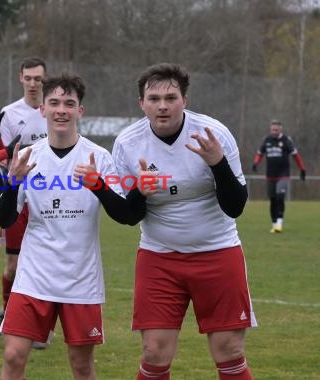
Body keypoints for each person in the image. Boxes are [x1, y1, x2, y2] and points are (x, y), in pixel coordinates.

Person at [112, 63, 256, 380]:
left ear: (184, 100)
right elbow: (128, 216)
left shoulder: (213, 134)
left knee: (229, 350)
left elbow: (236, 206)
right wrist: (141, 192)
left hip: (218, 251)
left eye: (170, 97)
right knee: (154, 352)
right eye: (153, 98)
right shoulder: (127, 143)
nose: (162, 105)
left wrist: (217, 164)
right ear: (142, 103)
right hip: (159, 256)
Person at [0, 72, 124, 380]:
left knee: (81, 366)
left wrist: (100, 187)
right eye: (53, 102)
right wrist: (12, 183)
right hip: (34, 276)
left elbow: (125, 215)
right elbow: (5, 219)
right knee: (13, 357)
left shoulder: (99, 158)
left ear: (80, 110)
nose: (61, 110)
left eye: (69, 103)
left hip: (80, 279)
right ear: (43, 110)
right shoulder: (28, 157)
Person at [0, 57, 50, 349]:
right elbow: (0, 154)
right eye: (29, 77)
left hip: (49, 195)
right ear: (21, 79)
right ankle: (6, 311)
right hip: (17, 196)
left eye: (38, 78)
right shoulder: (9, 113)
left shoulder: (54, 109)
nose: (33, 83)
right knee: (12, 266)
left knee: (47, 261)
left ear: (45, 79)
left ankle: (43, 325)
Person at [252, 119, 306, 233]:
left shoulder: (286, 140)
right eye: (272, 129)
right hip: (270, 175)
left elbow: (296, 155)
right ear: (270, 129)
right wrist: (255, 163)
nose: (274, 131)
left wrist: (302, 169)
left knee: (280, 196)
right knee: (273, 199)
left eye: (276, 130)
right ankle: (274, 223)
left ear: (280, 129)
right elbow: (259, 153)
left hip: (283, 175)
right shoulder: (266, 140)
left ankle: (279, 223)